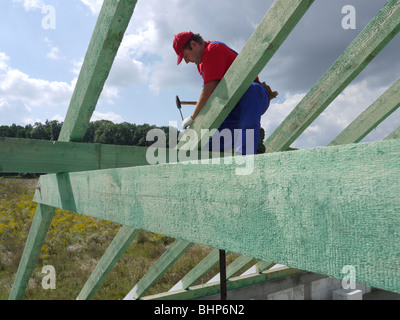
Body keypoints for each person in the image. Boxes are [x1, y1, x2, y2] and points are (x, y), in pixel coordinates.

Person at [173, 31, 277, 155]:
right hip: (233, 107)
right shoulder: (200, 65)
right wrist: (195, 131)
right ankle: (254, 138)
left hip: (253, 98)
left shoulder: (212, 50)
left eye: (185, 55)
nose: (186, 61)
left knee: (250, 92)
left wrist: (193, 118)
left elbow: (209, 90)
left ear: (193, 44)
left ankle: (245, 154)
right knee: (206, 144)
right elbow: (212, 96)